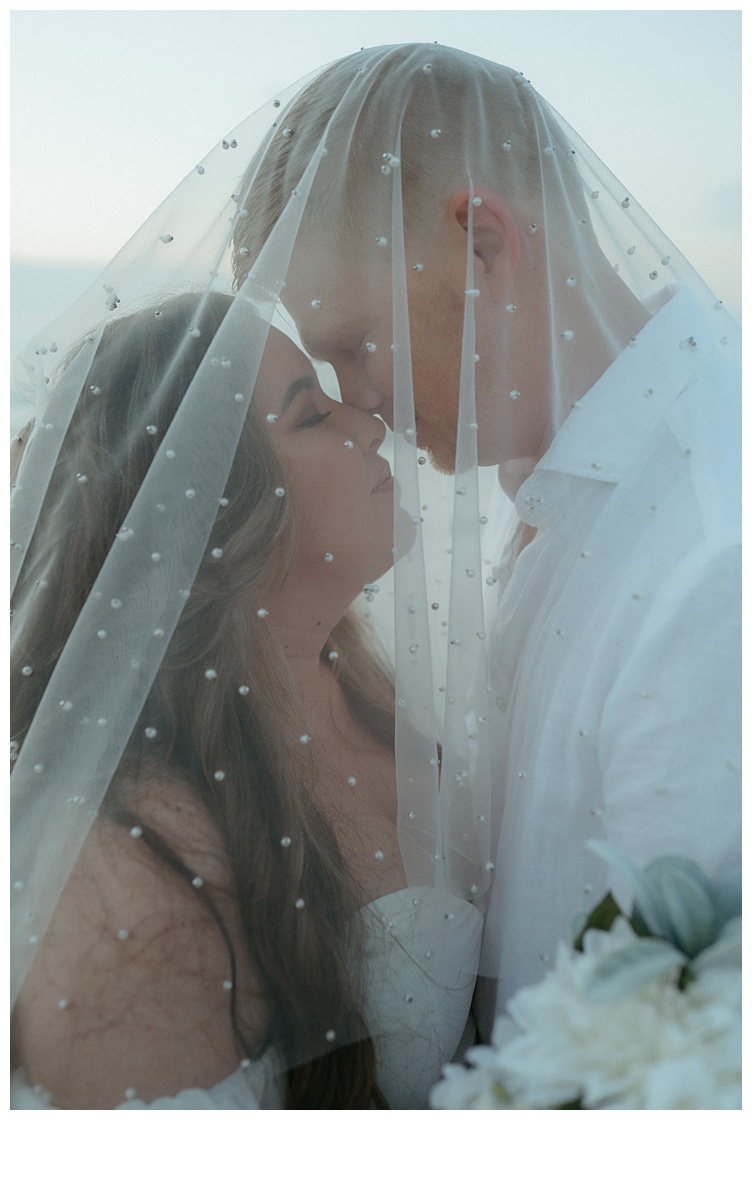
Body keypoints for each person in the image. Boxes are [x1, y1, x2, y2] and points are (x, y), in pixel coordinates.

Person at [230, 44, 741, 1034]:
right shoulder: (563, 483)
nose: (360, 404)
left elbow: (675, 1052)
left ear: (482, 247)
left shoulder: (710, 560)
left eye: (350, 344)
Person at [10, 291, 482, 1109]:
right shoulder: (131, 864)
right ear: (215, 518)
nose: (369, 425)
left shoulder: (370, 696)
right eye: (309, 415)